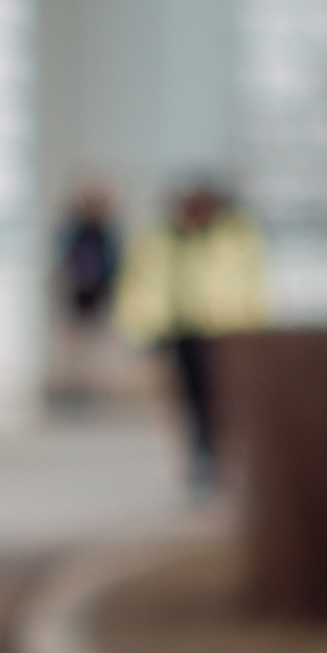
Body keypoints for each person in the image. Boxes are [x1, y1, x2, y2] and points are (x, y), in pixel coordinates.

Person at [115, 180, 268, 494]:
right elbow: (139, 284)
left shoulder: (237, 235)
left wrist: (255, 328)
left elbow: (254, 283)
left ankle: (220, 458)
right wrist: (141, 326)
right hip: (179, 330)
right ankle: (200, 458)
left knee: (223, 399)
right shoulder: (160, 237)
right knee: (190, 401)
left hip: (227, 330)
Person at [49, 181, 123, 410]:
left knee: (92, 348)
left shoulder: (103, 233)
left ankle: (88, 390)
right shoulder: (76, 232)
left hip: (96, 297)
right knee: (74, 349)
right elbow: (64, 265)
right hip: (77, 297)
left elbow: (113, 267)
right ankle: (73, 390)